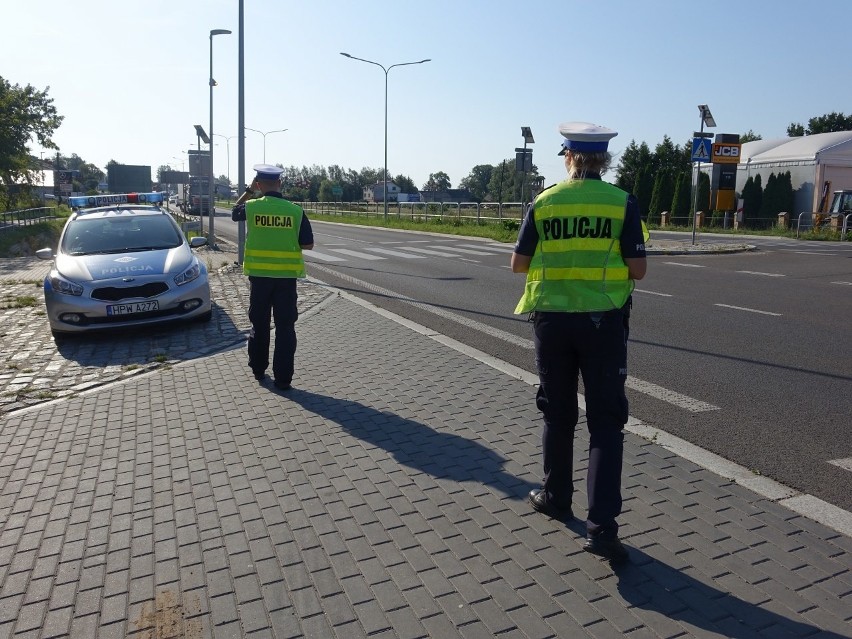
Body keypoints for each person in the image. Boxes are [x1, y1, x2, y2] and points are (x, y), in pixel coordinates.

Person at [511, 122, 647, 563]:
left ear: (568, 156)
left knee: (558, 411)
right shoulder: (622, 203)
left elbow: (518, 263)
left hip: (552, 321)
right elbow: (638, 270)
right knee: (606, 423)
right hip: (602, 323)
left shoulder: (544, 202)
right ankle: (602, 531)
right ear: (603, 160)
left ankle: (555, 497)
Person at [232, 164, 314, 390]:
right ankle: (284, 379)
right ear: (280, 184)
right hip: (286, 279)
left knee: (259, 325)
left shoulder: (250, 207)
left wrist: (248, 192)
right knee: (285, 328)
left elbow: (233, 212)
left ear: (258, 185)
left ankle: (259, 369)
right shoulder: (295, 211)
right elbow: (308, 244)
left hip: (259, 278)